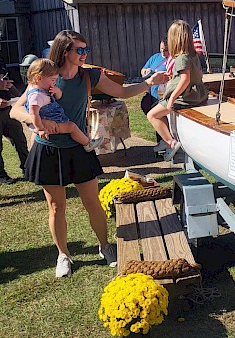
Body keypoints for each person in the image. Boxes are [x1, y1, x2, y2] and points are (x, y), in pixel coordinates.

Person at [10, 30, 168, 277]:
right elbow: (15, 111)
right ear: (65, 52)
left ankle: (105, 246)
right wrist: (34, 119)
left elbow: (122, 92)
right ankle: (63, 255)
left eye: (86, 50)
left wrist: (149, 83)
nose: (85, 54)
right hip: (49, 149)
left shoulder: (90, 76)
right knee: (55, 206)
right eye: (79, 50)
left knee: (92, 202)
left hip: (78, 147)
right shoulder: (47, 77)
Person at [147, 20, 208, 161]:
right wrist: (174, 76)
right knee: (155, 108)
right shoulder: (193, 55)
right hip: (198, 94)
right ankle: (165, 137)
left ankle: (170, 142)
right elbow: (198, 75)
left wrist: (172, 98)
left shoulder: (181, 58)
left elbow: (185, 80)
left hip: (185, 97)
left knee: (152, 115)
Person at [24, 58, 103, 151]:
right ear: (38, 77)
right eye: (53, 79)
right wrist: (41, 128)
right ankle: (87, 144)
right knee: (72, 127)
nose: (54, 82)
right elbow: (34, 114)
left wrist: (56, 91)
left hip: (51, 119)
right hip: (50, 123)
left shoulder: (43, 90)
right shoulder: (36, 96)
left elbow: (59, 96)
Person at [140, 38, 174, 147]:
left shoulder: (172, 60)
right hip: (151, 93)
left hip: (162, 95)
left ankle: (166, 142)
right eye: (161, 50)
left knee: (158, 116)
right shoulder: (155, 57)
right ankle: (161, 141)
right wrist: (145, 71)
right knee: (147, 108)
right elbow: (143, 69)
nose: (163, 53)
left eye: (165, 50)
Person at [0, 67, 29, 185]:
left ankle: (28, 168)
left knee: (20, 139)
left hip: (7, 110)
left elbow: (8, 83)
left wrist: (21, 98)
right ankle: (1, 174)